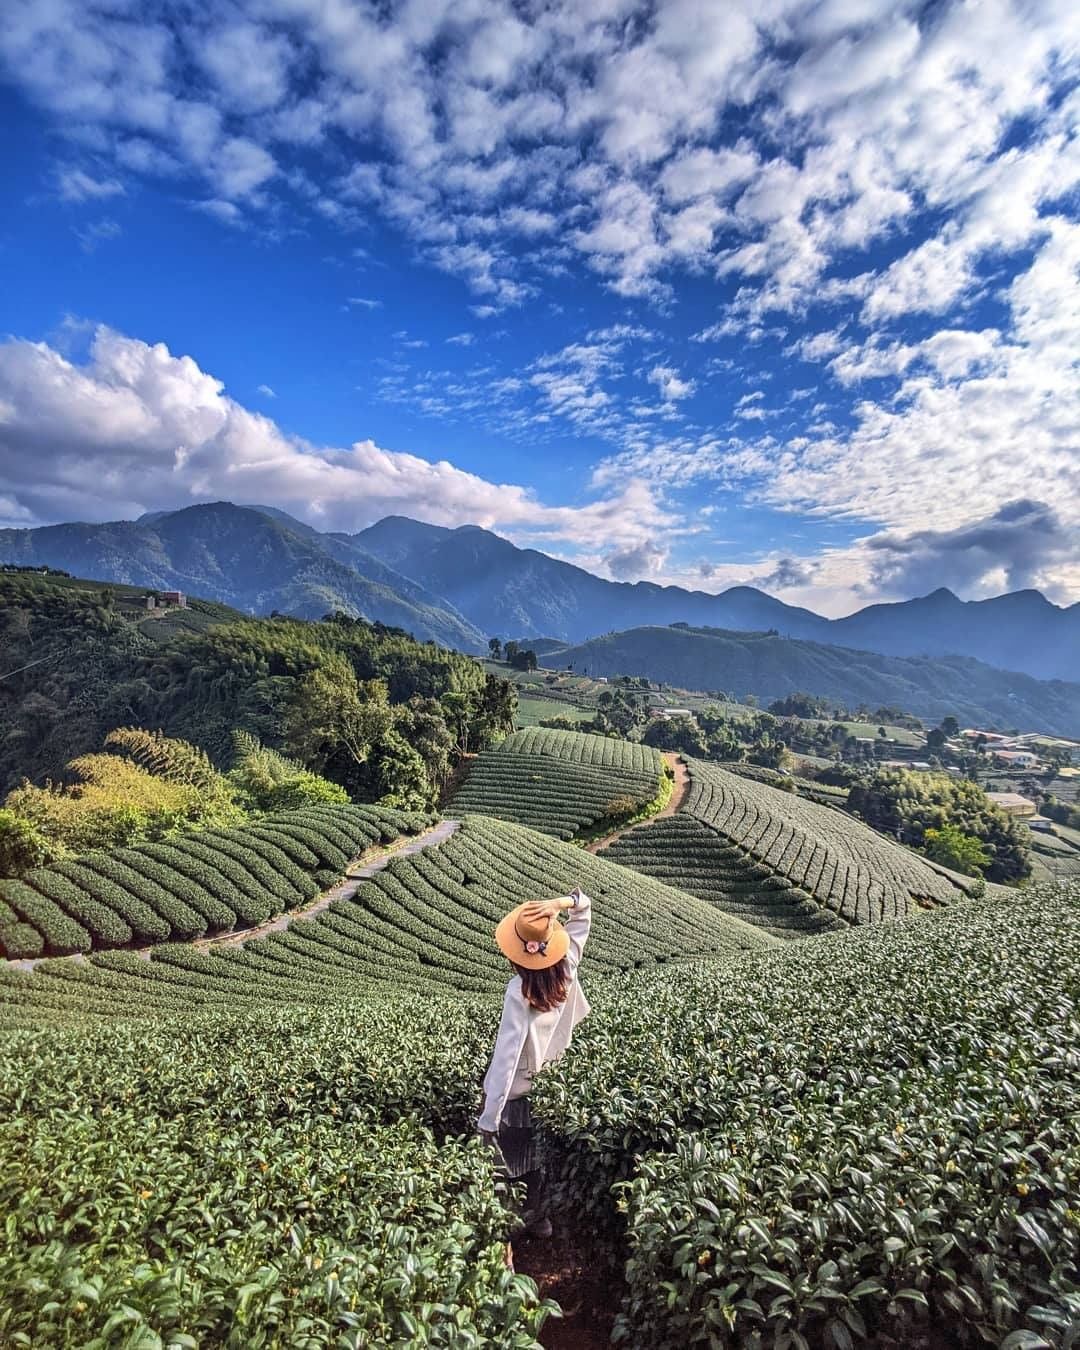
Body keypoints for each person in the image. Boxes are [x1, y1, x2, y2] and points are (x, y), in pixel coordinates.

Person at [478, 884, 592, 1238]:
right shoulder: (567, 967)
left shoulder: (519, 991)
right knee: (536, 1160)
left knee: (506, 1165)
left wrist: (489, 1116)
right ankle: (540, 1219)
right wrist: (564, 903)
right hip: (548, 1088)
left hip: (515, 1095)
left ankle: (510, 1228)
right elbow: (583, 915)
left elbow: (507, 1057)